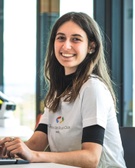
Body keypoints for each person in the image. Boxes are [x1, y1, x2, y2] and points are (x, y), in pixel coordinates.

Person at [0, 12, 126, 168]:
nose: (66, 46)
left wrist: (34, 155)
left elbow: (91, 158)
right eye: (60, 38)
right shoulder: (57, 92)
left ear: (91, 47)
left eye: (76, 39)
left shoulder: (93, 88)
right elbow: (36, 144)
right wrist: (10, 148)